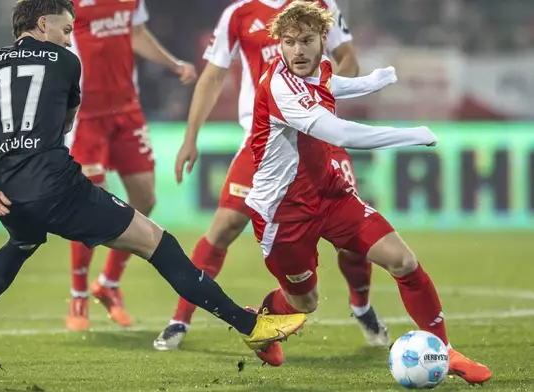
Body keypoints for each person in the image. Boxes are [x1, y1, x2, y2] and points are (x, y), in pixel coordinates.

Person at [0, 0, 306, 375]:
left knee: (21, 243)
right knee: (159, 243)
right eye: (66, 30)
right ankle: (252, 327)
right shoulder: (66, 63)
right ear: (42, 24)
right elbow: (64, 124)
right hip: (58, 187)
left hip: (4, 190)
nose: (69, 40)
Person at [240, 0, 492, 383]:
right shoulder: (279, 86)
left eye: (306, 40)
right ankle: (260, 324)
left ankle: (444, 350)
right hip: (284, 214)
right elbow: (340, 133)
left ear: (323, 39)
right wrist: (412, 135)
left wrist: (374, 81)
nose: (298, 50)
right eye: (289, 42)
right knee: (304, 302)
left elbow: (332, 82)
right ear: (280, 45)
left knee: (403, 261)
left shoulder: (318, 67)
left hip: (329, 194)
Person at [154, 0, 387, 354]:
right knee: (223, 227)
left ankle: (362, 306)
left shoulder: (321, 6)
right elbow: (213, 75)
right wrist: (191, 137)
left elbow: (348, 58)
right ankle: (179, 319)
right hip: (265, 140)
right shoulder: (239, 14)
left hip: (317, 136)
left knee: (351, 235)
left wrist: (328, 96)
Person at [64, 0, 198, 330]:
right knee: (89, 202)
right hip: (84, 115)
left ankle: (108, 284)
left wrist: (173, 64)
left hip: (126, 110)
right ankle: (78, 294)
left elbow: (135, 34)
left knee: (145, 198)